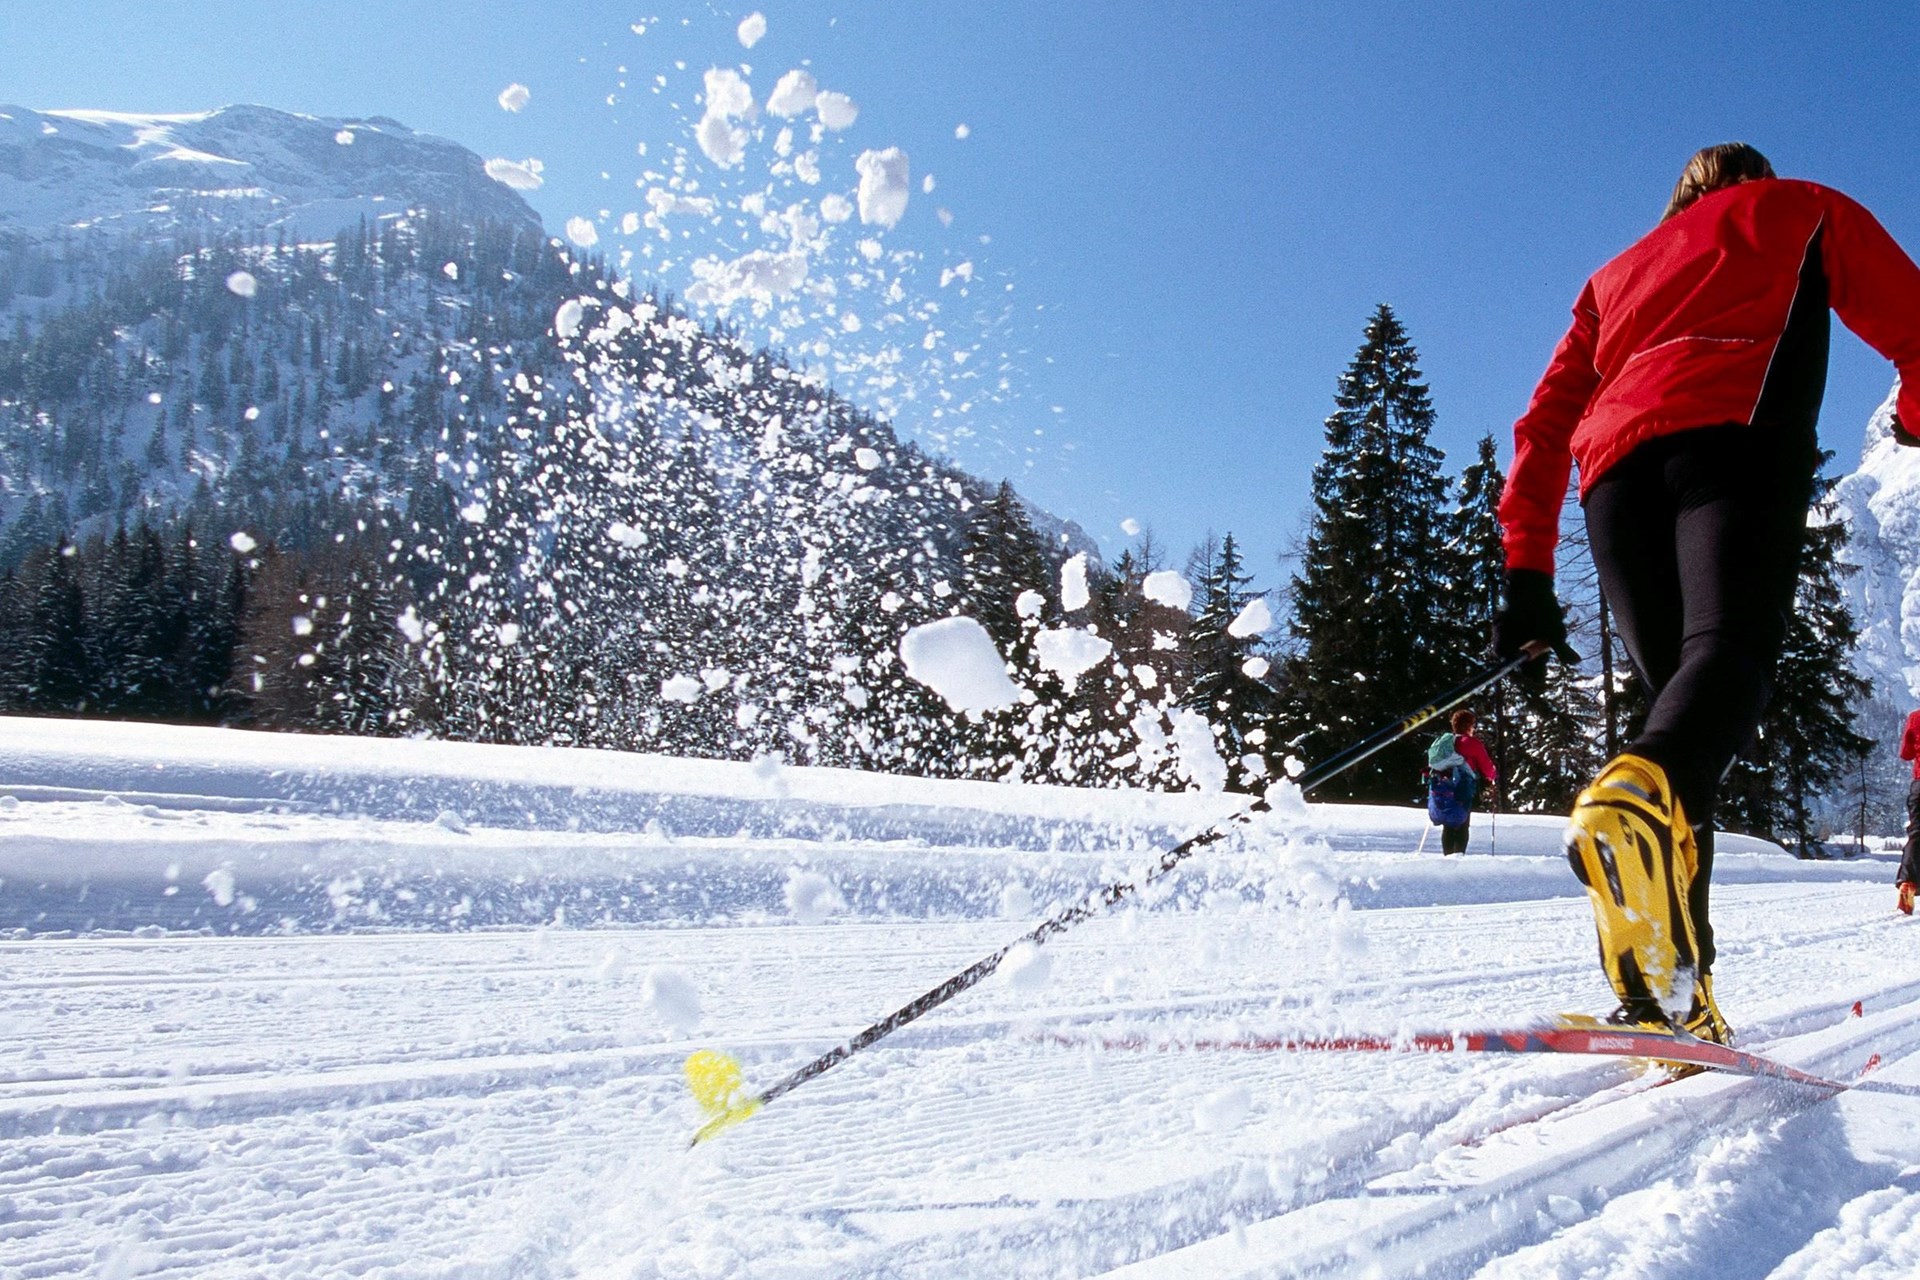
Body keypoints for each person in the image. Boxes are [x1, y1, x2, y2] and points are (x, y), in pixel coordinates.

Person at [1491, 143, 1920, 1044]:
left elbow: (1541, 423)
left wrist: (1528, 573)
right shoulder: (1797, 206)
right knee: (1724, 658)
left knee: (1679, 733)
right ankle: (1634, 819)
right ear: (1752, 181)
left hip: (1612, 484)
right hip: (1733, 439)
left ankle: (1674, 986)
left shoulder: (1613, 276)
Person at [1425, 709, 1498, 854]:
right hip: (1462, 787)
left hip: (1443, 786)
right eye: (1473, 725)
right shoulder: (1471, 743)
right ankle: (1458, 857)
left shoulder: (1445, 742)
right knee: (1462, 823)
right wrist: (1493, 777)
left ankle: (1447, 856)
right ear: (1468, 726)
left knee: (1448, 824)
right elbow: (1487, 767)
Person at [1898, 707, 1920, 914]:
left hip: (1919, 785)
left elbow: (1906, 754)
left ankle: (1907, 882)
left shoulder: (1915, 717)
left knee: (1916, 833)